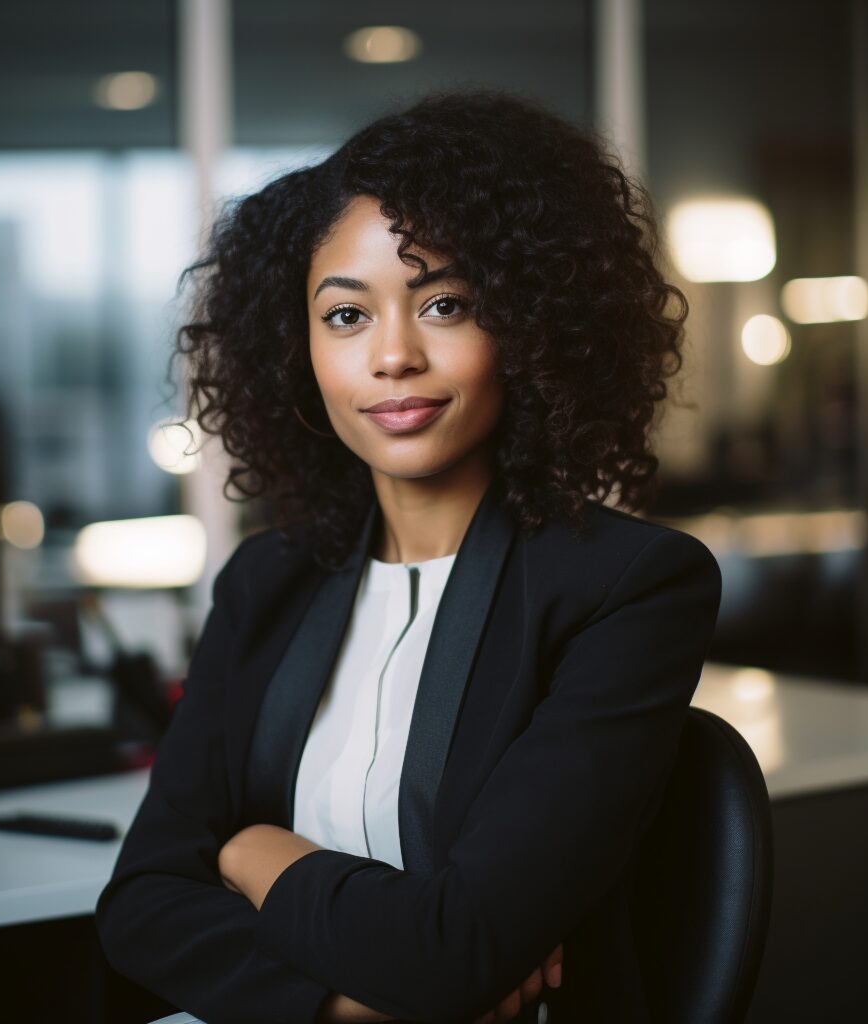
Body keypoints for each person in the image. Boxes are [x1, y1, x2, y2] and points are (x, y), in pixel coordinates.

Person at [95, 88, 722, 1024]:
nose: (394, 356)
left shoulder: (627, 589)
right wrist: (350, 1009)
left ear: (529, 326)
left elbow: (453, 949)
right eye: (346, 316)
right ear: (297, 347)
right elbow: (140, 907)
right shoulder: (267, 584)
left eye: (445, 303)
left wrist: (250, 851)